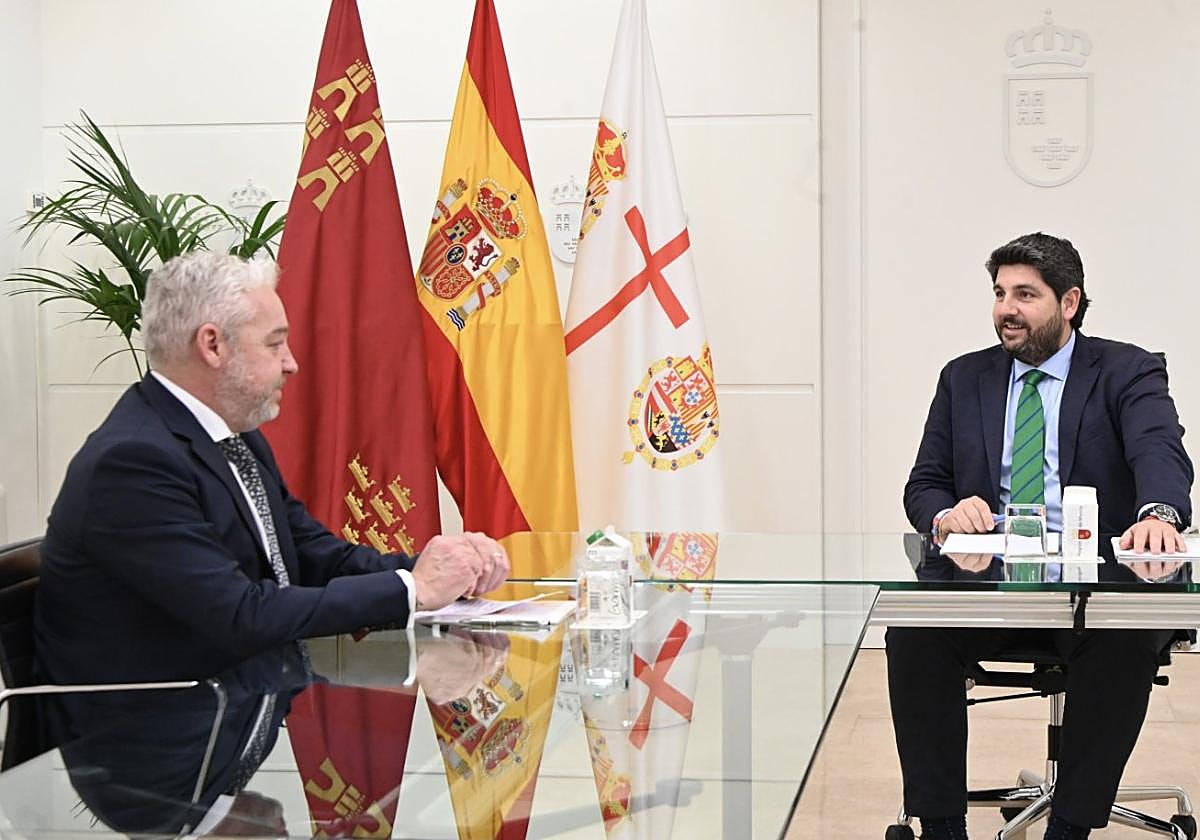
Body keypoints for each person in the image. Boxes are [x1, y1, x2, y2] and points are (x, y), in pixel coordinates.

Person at [34, 252, 511, 741]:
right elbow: (242, 615)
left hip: (241, 713)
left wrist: (430, 572)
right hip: (154, 750)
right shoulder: (132, 462)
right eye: (275, 344)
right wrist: (413, 590)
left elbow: (310, 554)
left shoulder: (229, 436)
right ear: (213, 345)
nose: (292, 363)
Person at [891, 232, 1194, 840]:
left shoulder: (1126, 370)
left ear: (1070, 302)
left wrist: (1159, 513)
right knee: (913, 631)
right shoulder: (964, 377)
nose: (1007, 308)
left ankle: (1071, 829)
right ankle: (942, 826)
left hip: (1094, 589)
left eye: (1026, 294)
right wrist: (946, 515)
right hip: (993, 584)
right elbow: (923, 485)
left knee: (1123, 641)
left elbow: (1159, 451)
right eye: (1000, 293)